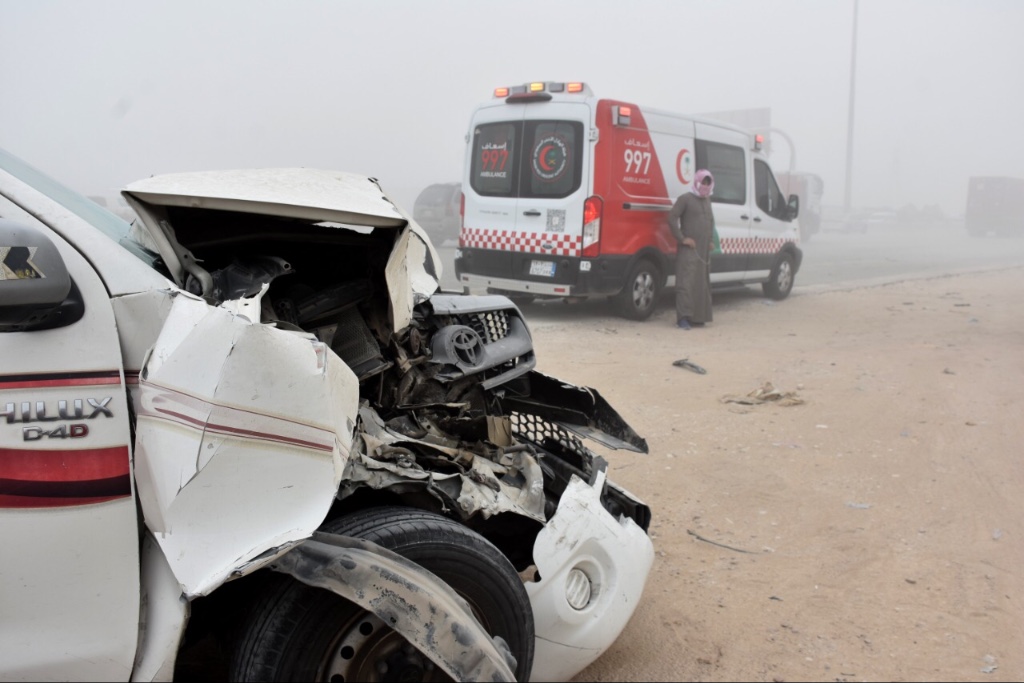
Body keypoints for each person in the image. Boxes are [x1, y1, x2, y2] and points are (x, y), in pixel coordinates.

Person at [667, 169, 716, 329]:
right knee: (686, 283)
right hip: (689, 250)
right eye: (703, 182)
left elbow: (710, 221)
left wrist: (710, 240)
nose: (705, 185)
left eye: (708, 182)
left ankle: (697, 317)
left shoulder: (707, 200)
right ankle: (683, 318)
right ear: (697, 181)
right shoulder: (686, 199)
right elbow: (672, 218)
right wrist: (682, 239)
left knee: (701, 283)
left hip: (703, 250)